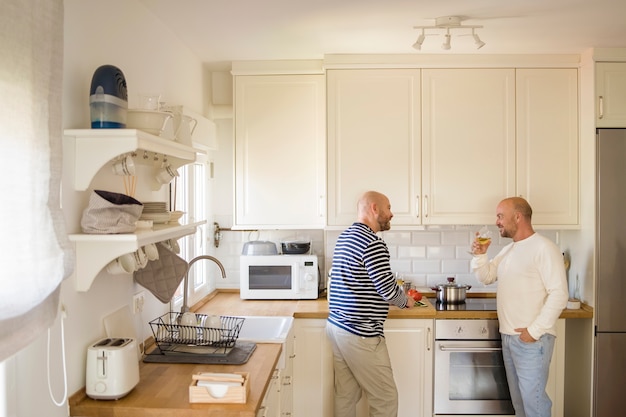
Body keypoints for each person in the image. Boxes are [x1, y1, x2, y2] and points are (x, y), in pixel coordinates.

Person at [470, 197, 568, 417]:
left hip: (532, 340)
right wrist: (480, 255)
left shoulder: (544, 248)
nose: (497, 222)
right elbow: (486, 276)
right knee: (520, 406)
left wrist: (533, 332)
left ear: (518, 216)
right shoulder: (509, 251)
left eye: (500, 216)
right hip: (510, 338)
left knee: (535, 404)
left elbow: (560, 294)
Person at [326, 191, 416, 417]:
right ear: (374, 209)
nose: (391, 213)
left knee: (346, 395)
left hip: (338, 327)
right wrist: (406, 302)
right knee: (385, 398)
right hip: (361, 332)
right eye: (388, 207)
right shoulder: (372, 243)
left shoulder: (345, 237)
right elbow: (387, 289)